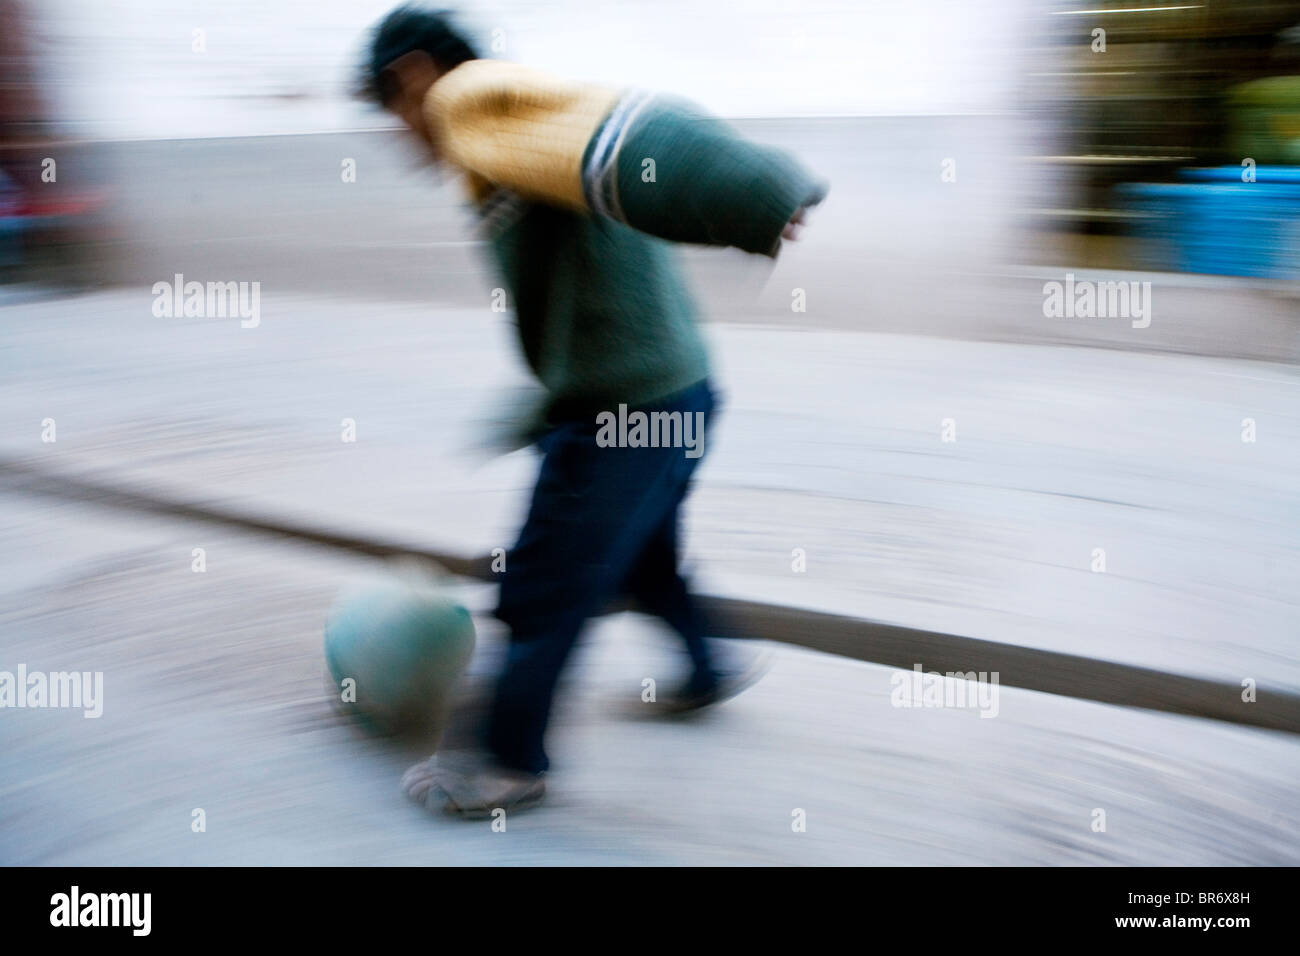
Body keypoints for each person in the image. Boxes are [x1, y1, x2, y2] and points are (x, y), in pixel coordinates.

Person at [360, 5, 826, 817]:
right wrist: (542, 400)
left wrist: (747, 189)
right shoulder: (504, 141)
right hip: (679, 393)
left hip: (627, 413)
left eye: (388, 115)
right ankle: (708, 667)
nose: (401, 139)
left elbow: (632, 132)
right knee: (642, 557)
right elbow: (581, 272)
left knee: (543, 584)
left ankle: (506, 763)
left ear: (411, 78)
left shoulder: (470, 101)